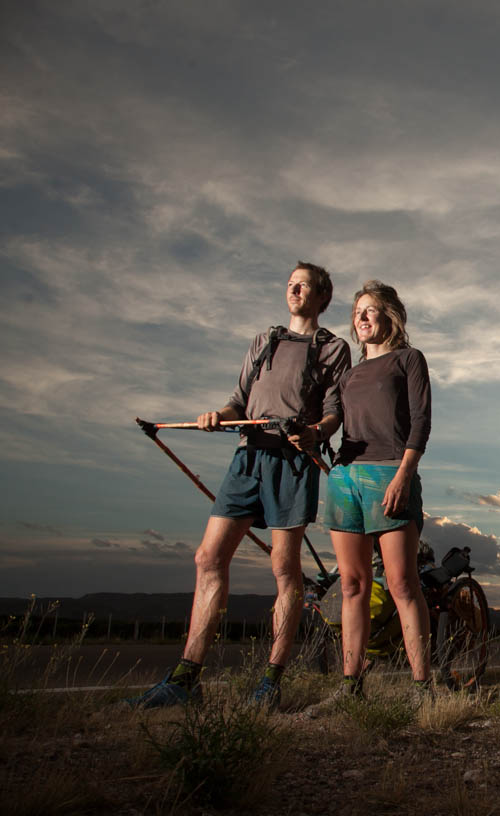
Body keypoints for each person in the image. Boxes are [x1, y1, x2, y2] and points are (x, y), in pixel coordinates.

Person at [129, 262, 352, 709]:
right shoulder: (263, 341)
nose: (294, 288)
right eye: (290, 282)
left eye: (304, 284)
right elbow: (237, 402)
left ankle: (271, 681)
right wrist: (218, 417)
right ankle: (186, 679)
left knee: (285, 570)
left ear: (322, 297)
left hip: (293, 462)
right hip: (248, 457)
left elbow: (334, 412)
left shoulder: (333, 348)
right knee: (208, 557)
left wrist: (315, 434)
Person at [317, 279, 432, 704]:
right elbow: (332, 420)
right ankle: (351, 685)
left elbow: (421, 421)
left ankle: (423, 688)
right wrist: (313, 433)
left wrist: (405, 473)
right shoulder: (347, 374)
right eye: (357, 312)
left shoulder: (408, 360)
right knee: (351, 584)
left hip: (389, 474)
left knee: (402, 583)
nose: (361, 318)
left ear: (390, 316)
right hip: (344, 478)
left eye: (370, 310)